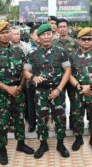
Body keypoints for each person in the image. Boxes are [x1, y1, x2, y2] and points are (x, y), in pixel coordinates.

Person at [0, 21, 34, 165]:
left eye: (8, 32)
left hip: (18, 92)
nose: (6, 35)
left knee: (19, 119)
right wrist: (7, 88)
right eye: (3, 33)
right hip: (1, 94)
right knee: (2, 123)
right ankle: (2, 149)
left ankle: (21, 143)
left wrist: (20, 86)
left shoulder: (18, 51)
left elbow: (25, 71)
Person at [23, 23, 71, 159]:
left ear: (52, 35)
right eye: (43, 34)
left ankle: (60, 144)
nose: (46, 37)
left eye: (48, 34)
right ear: (38, 37)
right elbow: (25, 71)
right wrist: (33, 77)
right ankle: (43, 144)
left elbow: (67, 70)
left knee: (60, 118)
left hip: (58, 91)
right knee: (41, 118)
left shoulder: (61, 51)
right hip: (41, 92)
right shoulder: (32, 53)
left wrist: (59, 89)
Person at [69, 27, 92, 152]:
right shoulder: (72, 55)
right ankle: (78, 138)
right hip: (77, 91)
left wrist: (90, 87)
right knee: (77, 115)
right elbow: (68, 74)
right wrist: (80, 87)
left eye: (89, 39)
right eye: (83, 39)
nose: (86, 41)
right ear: (78, 41)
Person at [53, 18, 79, 129]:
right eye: (60, 27)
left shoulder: (75, 42)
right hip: (59, 77)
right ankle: (61, 125)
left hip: (73, 76)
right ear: (57, 29)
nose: (63, 29)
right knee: (59, 102)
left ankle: (73, 125)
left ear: (67, 28)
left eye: (64, 26)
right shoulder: (54, 43)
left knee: (75, 101)